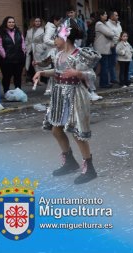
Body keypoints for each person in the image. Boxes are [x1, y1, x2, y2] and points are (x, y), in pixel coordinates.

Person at [33, 19, 100, 184]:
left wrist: (78, 73)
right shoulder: (58, 55)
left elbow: (92, 76)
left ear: (65, 37)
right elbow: (57, 72)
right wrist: (41, 73)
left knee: (78, 134)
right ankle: (70, 162)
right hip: (59, 96)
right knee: (56, 130)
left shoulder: (79, 54)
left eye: (56, 37)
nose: (53, 41)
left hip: (76, 95)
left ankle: (89, 168)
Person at [0, 16, 26, 93]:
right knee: (7, 77)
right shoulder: (0, 33)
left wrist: (23, 52)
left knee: (18, 76)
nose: (11, 24)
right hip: (6, 60)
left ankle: (18, 91)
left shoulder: (18, 32)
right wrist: (4, 55)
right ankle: (6, 91)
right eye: (9, 22)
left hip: (18, 59)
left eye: (13, 22)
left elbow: (23, 43)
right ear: (5, 23)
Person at [93, 11, 115, 88]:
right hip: (101, 48)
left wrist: (111, 33)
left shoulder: (105, 24)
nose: (106, 15)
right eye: (104, 14)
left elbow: (112, 32)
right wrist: (111, 34)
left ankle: (105, 82)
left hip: (106, 48)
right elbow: (110, 33)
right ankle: (103, 84)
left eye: (106, 14)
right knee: (104, 66)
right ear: (100, 16)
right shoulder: (99, 24)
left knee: (105, 66)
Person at [24, 17, 45, 82]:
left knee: (38, 64)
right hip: (30, 49)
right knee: (30, 65)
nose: (37, 22)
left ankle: (39, 80)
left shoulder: (43, 30)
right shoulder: (29, 30)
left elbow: (45, 41)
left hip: (38, 49)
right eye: (36, 21)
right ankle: (31, 79)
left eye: (39, 21)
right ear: (33, 22)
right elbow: (26, 40)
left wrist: (42, 47)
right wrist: (26, 47)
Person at [107, 11, 122, 84]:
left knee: (117, 61)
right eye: (116, 15)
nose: (117, 16)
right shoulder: (108, 24)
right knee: (112, 62)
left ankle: (119, 77)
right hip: (113, 45)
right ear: (111, 16)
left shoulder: (118, 23)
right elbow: (109, 35)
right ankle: (113, 78)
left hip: (120, 44)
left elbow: (120, 33)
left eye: (117, 15)